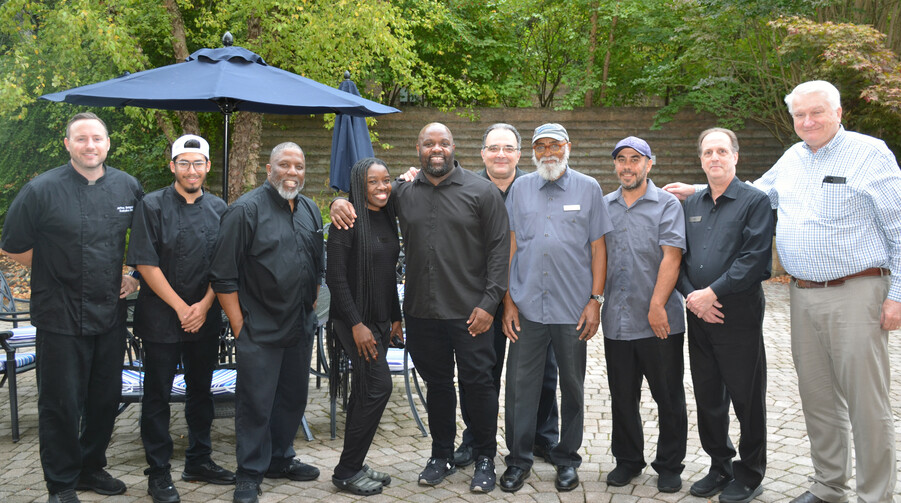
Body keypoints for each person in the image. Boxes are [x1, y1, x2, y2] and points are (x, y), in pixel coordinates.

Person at [669, 81, 901, 503]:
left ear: (838, 111)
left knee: (866, 403)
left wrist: (898, 294)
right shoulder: (793, 157)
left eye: (817, 112)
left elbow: (898, 223)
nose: (807, 121)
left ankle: (875, 496)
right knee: (818, 397)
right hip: (803, 294)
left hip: (857, 290)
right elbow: (754, 191)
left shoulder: (870, 153)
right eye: (799, 115)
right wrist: (697, 189)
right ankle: (830, 487)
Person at [330, 123, 510, 493]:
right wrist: (337, 202)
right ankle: (440, 454)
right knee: (438, 385)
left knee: (479, 385)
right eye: (429, 143)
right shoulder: (402, 193)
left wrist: (490, 304)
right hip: (422, 314)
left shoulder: (483, 192)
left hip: (472, 314)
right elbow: (367, 194)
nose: (437, 149)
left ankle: (486, 457)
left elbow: (499, 252)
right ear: (418, 149)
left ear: (454, 146)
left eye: (443, 142)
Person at [398, 123, 561, 468]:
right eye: (493, 148)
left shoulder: (539, 186)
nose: (500, 154)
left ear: (519, 154)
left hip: (531, 299)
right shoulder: (470, 188)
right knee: (481, 378)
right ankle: (475, 442)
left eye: (508, 148)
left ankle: (543, 439)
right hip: (477, 302)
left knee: (541, 373)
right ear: (482, 153)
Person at [0, 112, 143, 503]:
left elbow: (148, 239)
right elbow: (12, 245)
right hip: (58, 313)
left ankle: (91, 467)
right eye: (81, 139)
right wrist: (55, 270)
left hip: (109, 314)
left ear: (108, 143)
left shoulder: (128, 187)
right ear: (67, 144)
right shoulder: (40, 190)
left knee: (104, 399)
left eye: (97, 138)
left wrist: (132, 273)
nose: (90, 145)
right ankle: (61, 484)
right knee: (60, 403)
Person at [500, 123, 612, 493]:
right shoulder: (520, 188)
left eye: (554, 144)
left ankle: (566, 460)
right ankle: (518, 461)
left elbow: (599, 248)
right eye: (541, 145)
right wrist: (508, 301)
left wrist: (595, 301)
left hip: (572, 309)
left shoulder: (588, 188)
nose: (548, 151)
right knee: (520, 388)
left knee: (573, 388)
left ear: (568, 146)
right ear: (533, 152)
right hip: (528, 308)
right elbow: (512, 246)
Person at [209, 142, 324, 503]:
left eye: (299, 166)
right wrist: (240, 324)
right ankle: (249, 474)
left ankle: (280, 458)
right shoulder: (244, 210)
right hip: (258, 327)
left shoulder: (310, 209)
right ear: (268, 168)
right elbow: (223, 275)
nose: (293, 172)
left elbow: (316, 263)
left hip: (299, 326)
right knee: (256, 403)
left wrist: (313, 296)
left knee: (291, 399)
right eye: (285, 165)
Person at [126, 134, 234, 503]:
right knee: (156, 396)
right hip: (161, 316)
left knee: (201, 393)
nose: (192, 170)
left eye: (198, 163)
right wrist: (180, 307)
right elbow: (145, 262)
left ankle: (199, 460)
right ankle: (158, 472)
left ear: (207, 167)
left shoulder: (221, 208)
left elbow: (225, 266)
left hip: (204, 316)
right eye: (184, 163)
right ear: (172, 166)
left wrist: (202, 307)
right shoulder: (151, 206)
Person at [675, 128, 774, 503]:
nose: (714, 157)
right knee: (708, 395)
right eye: (707, 152)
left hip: (737, 313)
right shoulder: (692, 204)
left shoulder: (755, 202)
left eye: (721, 151)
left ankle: (749, 474)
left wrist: (711, 293)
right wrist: (691, 297)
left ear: (736, 156)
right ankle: (720, 464)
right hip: (698, 314)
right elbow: (679, 259)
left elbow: (754, 260)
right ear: (700, 160)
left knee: (747, 396)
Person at [601, 137, 687, 493]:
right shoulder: (603, 205)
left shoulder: (667, 205)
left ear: (649, 164)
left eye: (635, 159)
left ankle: (669, 464)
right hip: (617, 321)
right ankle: (628, 460)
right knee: (622, 396)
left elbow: (672, 256)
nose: (627, 166)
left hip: (659, 320)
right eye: (621, 159)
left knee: (667, 396)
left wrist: (655, 306)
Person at [326, 157, 402, 496]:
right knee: (378, 388)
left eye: (386, 180)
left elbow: (388, 274)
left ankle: (354, 464)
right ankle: (345, 471)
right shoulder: (347, 219)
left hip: (382, 320)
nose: (382, 187)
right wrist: (356, 324)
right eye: (374, 182)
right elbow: (336, 278)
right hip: (353, 322)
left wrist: (396, 317)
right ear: (359, 184)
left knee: (363, 392)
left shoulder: (386, 216)